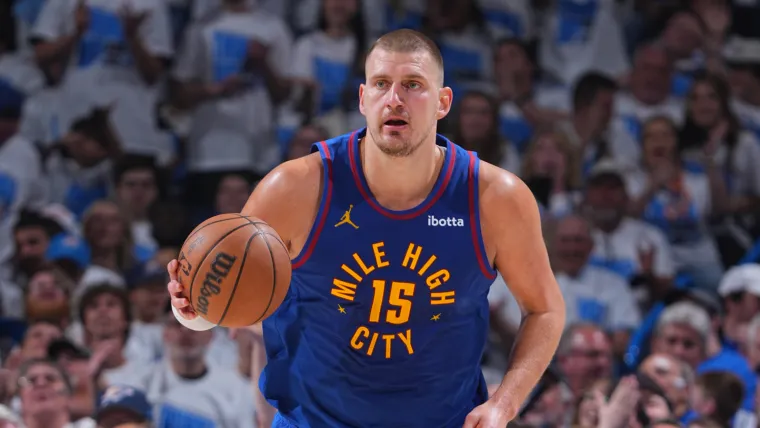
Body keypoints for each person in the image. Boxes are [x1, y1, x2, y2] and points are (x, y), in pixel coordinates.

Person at [167, 29, 566, 427]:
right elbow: (238, 299)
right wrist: (191, 308)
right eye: (381, 84)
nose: (394, 99)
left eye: (413, 85)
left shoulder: (495, 197)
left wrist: (504, 404)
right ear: (362, 99)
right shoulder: (294, 188)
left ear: (443, 102)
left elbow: (545, 309)